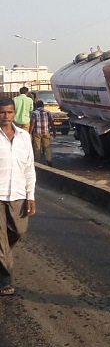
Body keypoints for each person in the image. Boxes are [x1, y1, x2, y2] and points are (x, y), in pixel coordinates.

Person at [0, 97, 36, 296]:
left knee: (19, 230)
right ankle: (4, 282)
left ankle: (2, 253)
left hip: (18, 194)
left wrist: (30, 195)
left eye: (9, 112)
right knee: (0, 242)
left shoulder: (23, 136)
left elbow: (29, 168)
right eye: (2, 112)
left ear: (14, 113)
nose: (6, 116)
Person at [30, 99, 56, 166]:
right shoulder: (48, 112)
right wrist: (54, 132)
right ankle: (49, 160)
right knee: (47, 147)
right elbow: (51, 122)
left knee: (37, 147)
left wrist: (30, 133)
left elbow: (32, 123)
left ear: (36, 105)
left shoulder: (34, 113)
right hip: (46, 131)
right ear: (43, 105)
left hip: (37, 132)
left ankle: (37, 162)